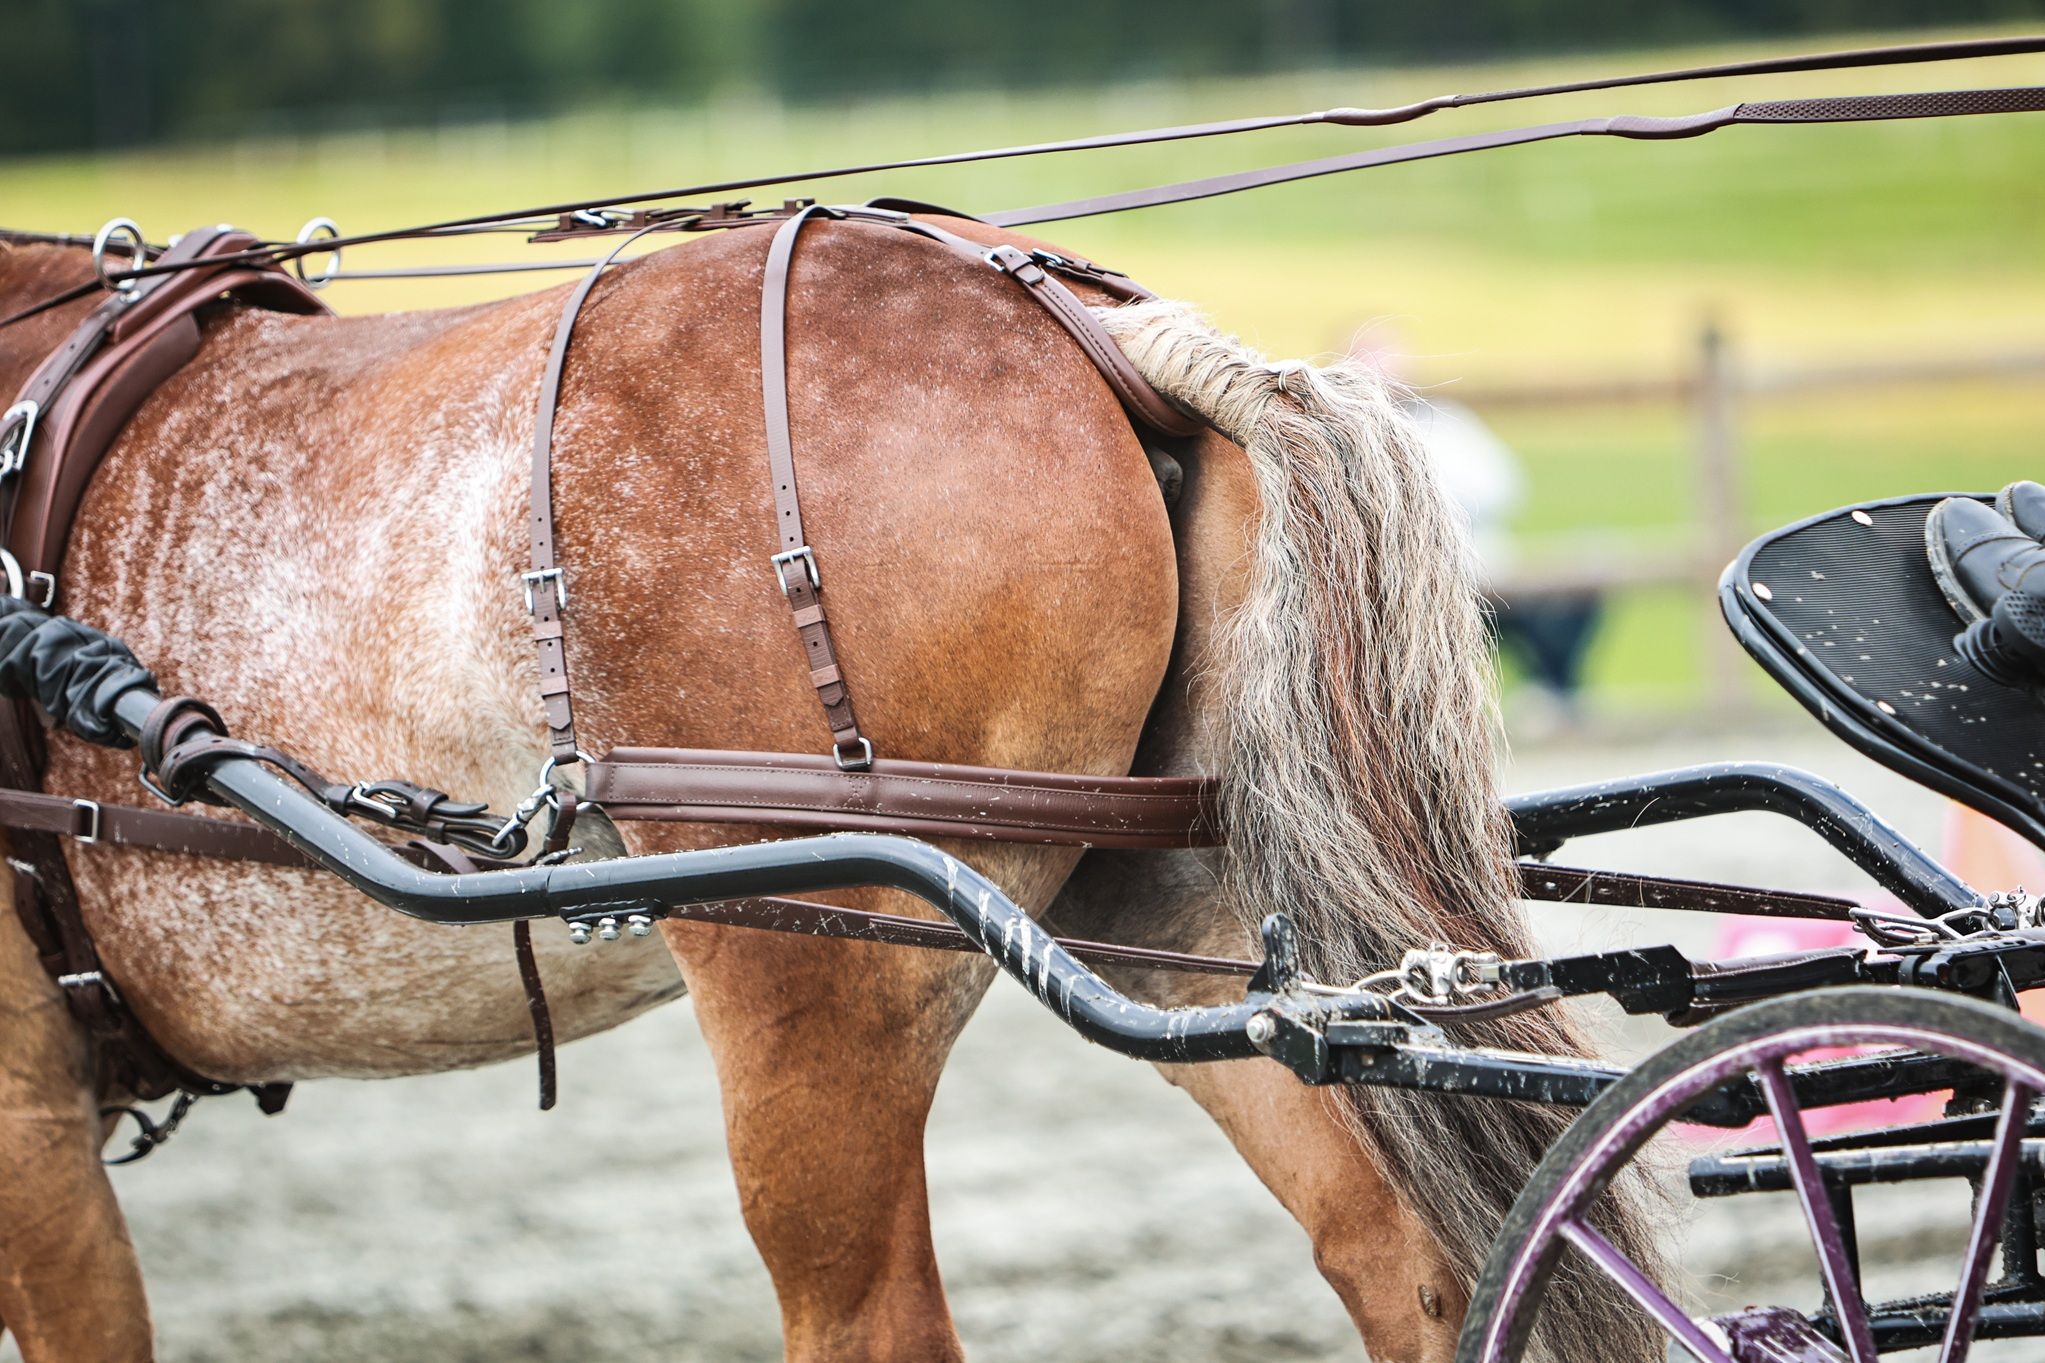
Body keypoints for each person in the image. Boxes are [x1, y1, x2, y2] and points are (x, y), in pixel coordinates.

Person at [1348, 322, 1603, 717]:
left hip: (1488, 562)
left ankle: (1556, 692)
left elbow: (1503, 484)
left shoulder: (1446, 421)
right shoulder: (1352, 435)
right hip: (1413, 581)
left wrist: (1439, 502)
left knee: (1589, 565)